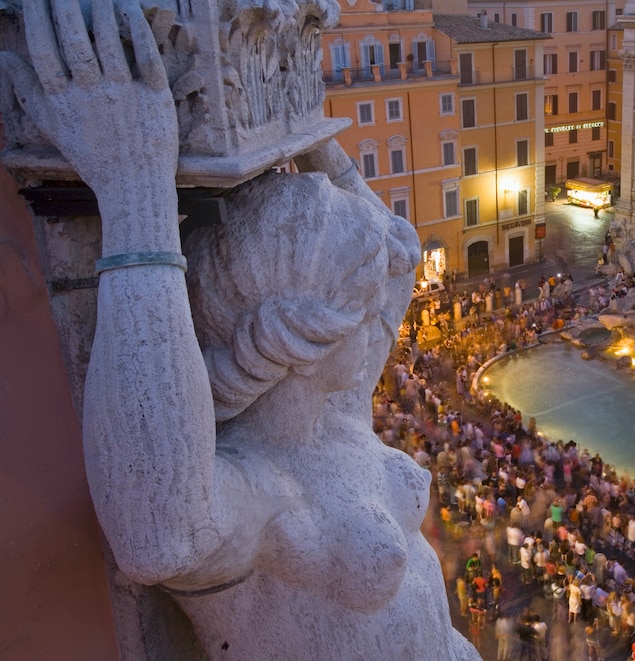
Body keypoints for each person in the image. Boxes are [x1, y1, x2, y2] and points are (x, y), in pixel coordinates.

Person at [2, 2, 478, 659]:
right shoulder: (255, 496)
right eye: (363, 305)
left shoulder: (336, 407)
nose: (385, 313)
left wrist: (310, 134)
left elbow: (396, 249)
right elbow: (158, 533)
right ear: (306, 338)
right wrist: (134, 189)